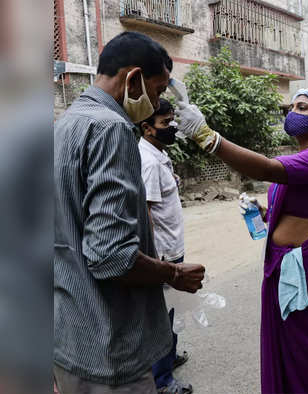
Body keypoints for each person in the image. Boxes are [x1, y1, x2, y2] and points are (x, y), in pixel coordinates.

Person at [174, 87, 308, 393]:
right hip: (281, 265)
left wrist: (207, 136)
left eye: (303, 108)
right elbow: (297, 208)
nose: (293, 112)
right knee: (289, 351)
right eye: (292, 107)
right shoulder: (297, 158)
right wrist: (262, 211)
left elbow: (266, 168)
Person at [54, 32, 205, 393]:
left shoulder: (65, 124)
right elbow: (111, 257)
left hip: (69, 334)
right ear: (134, 79)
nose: (156, 103)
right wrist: (172, 273)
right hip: (111, 346)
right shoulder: (112, 129)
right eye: (157, 90)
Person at [138, 98, 192, 394]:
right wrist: (156, 258)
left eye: (172, 121)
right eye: (165, 123)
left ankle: (168, 359)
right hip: (162, 251)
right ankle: (162, 381)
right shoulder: (147, 161)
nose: (171, 127)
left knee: (172, 310)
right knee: (161, 316)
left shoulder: (158, 154)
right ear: (147, 128)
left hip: (171, 246)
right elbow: (144, 213)